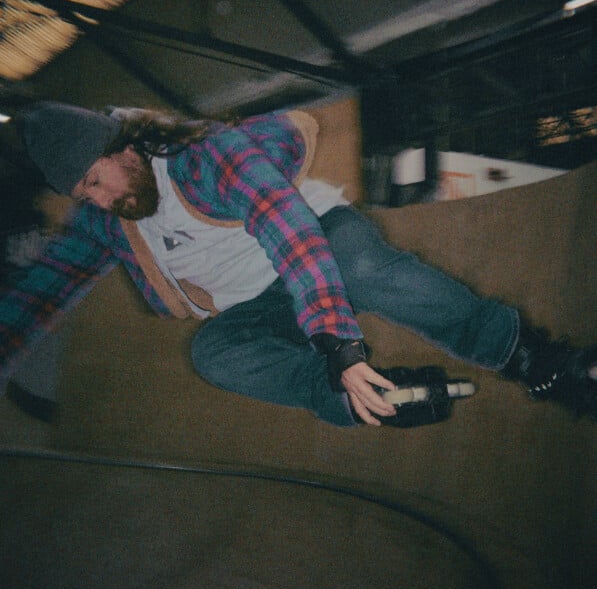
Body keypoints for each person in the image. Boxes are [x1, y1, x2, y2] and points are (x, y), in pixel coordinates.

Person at [0, 101, 595, 427]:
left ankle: (530, 356)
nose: (101, 201)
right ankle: (361, 398)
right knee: (214, 354)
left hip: (321, 236)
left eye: (96, 181)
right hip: (264, 303)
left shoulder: (206, 157)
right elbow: (40, 291)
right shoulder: (105, 222)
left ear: (123, 146)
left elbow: (291, 233)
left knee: (360, 268)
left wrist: (341, 345)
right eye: (85, 196)